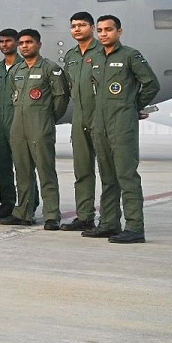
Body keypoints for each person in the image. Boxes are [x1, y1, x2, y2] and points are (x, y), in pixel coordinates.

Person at [84, 14, 160, 243]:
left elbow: (151, 84)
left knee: (127, 177)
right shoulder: (95, 57)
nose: (103, 33)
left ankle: (135, 227)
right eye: (100, 30)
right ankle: (109, 223)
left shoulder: (130, 55)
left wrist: (132, 105)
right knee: (107, 177)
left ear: (119, 31)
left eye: (108, 29)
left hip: (122, 126)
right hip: (101, 125)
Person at [2, 29, 71, 229]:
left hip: (40, 126)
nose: (24, 46)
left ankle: (51, 215)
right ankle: (23, 212)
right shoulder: (16, 70)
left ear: (39, 44)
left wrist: (47, 118)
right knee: (22, 172)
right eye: (21, 43)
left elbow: (60, 98)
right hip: (18, 126)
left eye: (29, 42)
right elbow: (14, 96)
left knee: (45, 171)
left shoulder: (51, 68)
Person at [60, 13, 100, 231]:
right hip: (80, 117)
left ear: (92, 27)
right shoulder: (71, 56)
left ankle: (111, 219)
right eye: (74, 26)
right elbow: (68, 86)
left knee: (109, 170)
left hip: (101, 116)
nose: (77, 29)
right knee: (82, 169)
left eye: (82, 25)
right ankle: (85, 216)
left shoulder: (103, 52)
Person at [0, 27, 32, 220]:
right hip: (1, 123)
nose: (4, 44)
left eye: (8, 41)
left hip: (20, 120)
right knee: (2, 166)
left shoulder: (26, 66)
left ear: (16, 43)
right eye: (1, 41)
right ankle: (7, 204)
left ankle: (28, 204)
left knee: (24, 166)